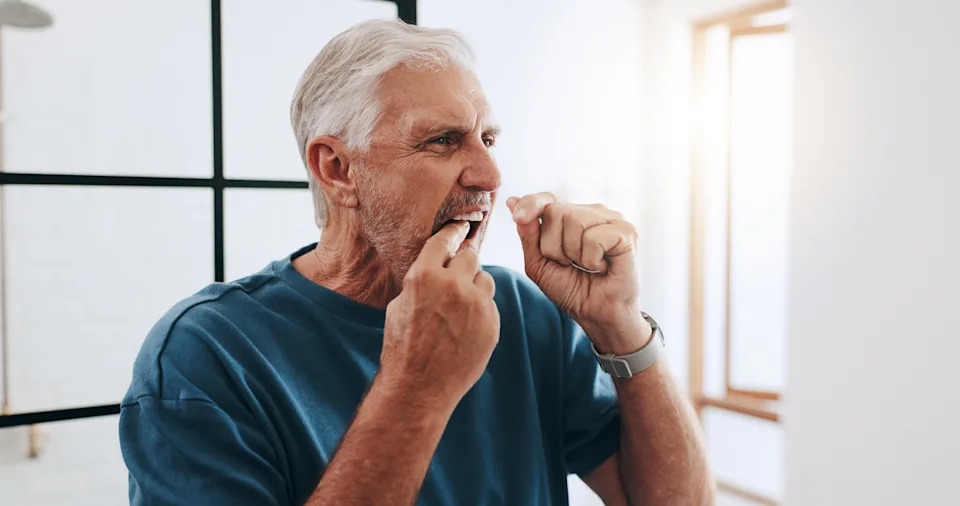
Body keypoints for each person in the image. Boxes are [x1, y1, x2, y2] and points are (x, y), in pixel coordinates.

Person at [118, 20, 712, 506]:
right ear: (337, 170)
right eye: (444, 141)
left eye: (489, 138)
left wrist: (619, 325)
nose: (488, 175)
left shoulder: (525, 314)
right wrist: (417, 386)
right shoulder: (204, 357)